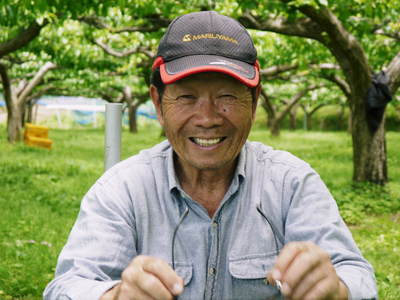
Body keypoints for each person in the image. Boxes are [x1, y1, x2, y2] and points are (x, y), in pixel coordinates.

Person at [44, 11, 377, 300]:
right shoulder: (124, 190)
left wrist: (337, 289)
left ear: (255, 101)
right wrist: (114, 295)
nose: (207, 118)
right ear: (158, 104)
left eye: (227, 96)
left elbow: (357, 275)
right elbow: (68, 285)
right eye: (187, 97)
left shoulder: (291, 184)